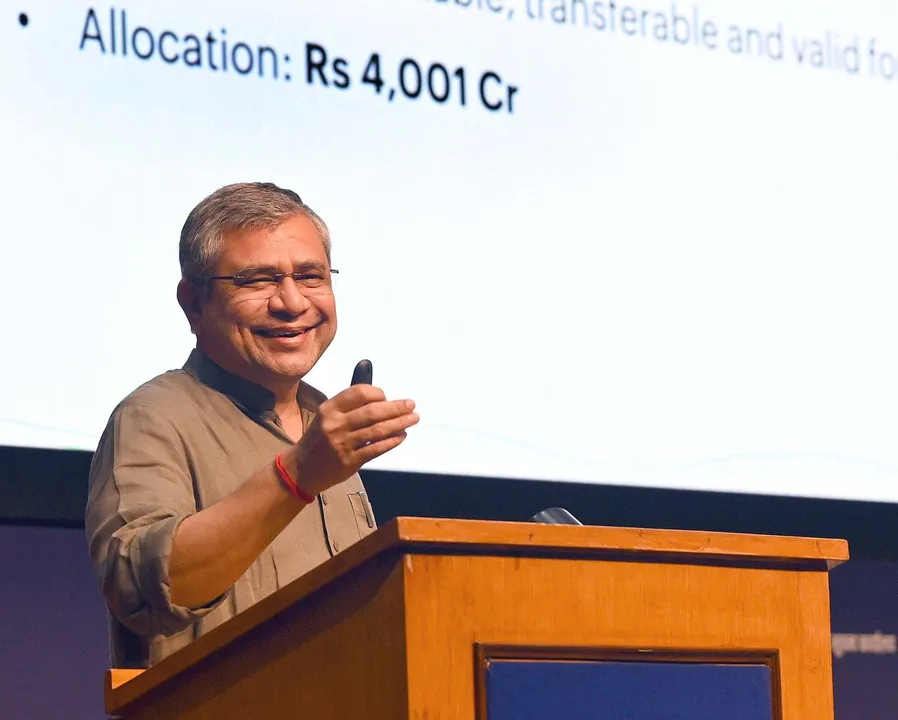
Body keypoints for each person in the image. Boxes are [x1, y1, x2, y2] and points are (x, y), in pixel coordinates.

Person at [85, 182, 419, 668]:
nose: (292, 302)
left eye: (310, 276)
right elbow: (140, 590)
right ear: (194, 303)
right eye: (257, 280)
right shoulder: (153, 417)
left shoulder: (321, 418)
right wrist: (296, 475)